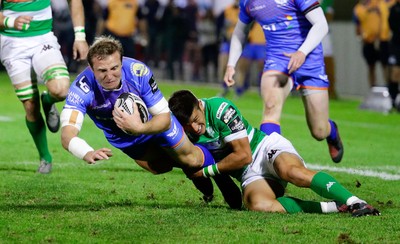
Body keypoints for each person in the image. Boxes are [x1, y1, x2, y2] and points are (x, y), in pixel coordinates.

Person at [59, 36, 242, 209]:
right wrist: (86, 152)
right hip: (126, 140)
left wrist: (140, 128)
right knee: (161, 167)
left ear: (122, 62)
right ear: (91, 69)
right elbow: (67, 136)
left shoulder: (138, 72)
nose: (110, 76)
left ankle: (220, 178)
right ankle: (194, 167)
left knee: (192, 159)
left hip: (155, 125)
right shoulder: (81, 88)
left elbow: (164, 118)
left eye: (114, 68)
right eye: (102, 71)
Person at [168, 90, 381, 217]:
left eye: (196, 120)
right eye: (189, 126)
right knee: (257, 205)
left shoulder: (221, 108)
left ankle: (355, 201)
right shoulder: (185, 131)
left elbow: (244, 156)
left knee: (291, 172)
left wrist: (207, 172)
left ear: (199, 105)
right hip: (248, 174)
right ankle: (334, 207)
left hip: (263, 149)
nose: (195, 129)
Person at [223, 0, 344, 164]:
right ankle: (270, 168)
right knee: (270, 106)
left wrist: (301, 52)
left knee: (319, 131)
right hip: (277, 60)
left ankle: (331, 131)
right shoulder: (247, 2)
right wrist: (231, 64)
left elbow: (321, 24)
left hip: (309, 60)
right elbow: (240, 32)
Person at [0, 0, 89, 174]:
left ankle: (48, 101)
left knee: (61, 90)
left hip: (43, 38)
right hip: (12, 43)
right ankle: (45, 157)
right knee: (30, 106)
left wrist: (80, 37)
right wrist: (10, 21)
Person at [353, 0, 392, 88]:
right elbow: (357, 26)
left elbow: (383, 19)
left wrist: (379, 35)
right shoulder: (358, 9)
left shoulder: (377, 3)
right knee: (371, 66)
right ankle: (372, 88)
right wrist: (361, 38)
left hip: (382, 40)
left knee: (385, 64)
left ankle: (389, 87)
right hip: (368, 41)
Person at [319, 0, 338, 99]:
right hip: (307, 32)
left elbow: (329, 17)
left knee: (327, 61)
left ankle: (331, 89)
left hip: (323, 34)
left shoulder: (327, 1)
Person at [388, 0, 400, 109]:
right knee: (395, 72)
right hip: (396, 44)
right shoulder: (394, 9)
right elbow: (391, 26)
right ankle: (393, 99)